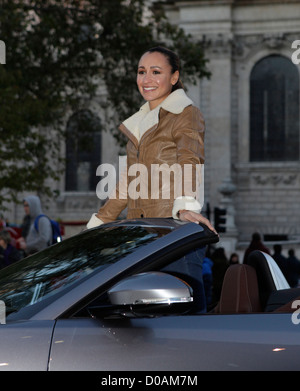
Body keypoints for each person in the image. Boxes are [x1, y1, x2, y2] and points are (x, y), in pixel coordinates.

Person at [87, 46, 216, 312]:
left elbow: (190, 159)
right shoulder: (141, 123)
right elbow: (129, 182)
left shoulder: (186, 113)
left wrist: (185, 207)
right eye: (142, 71)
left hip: (173, 233)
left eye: (156, 72)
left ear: (173, 77)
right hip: (142, 237)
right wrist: (100, 223)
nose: (146, 79)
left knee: (184, 325)